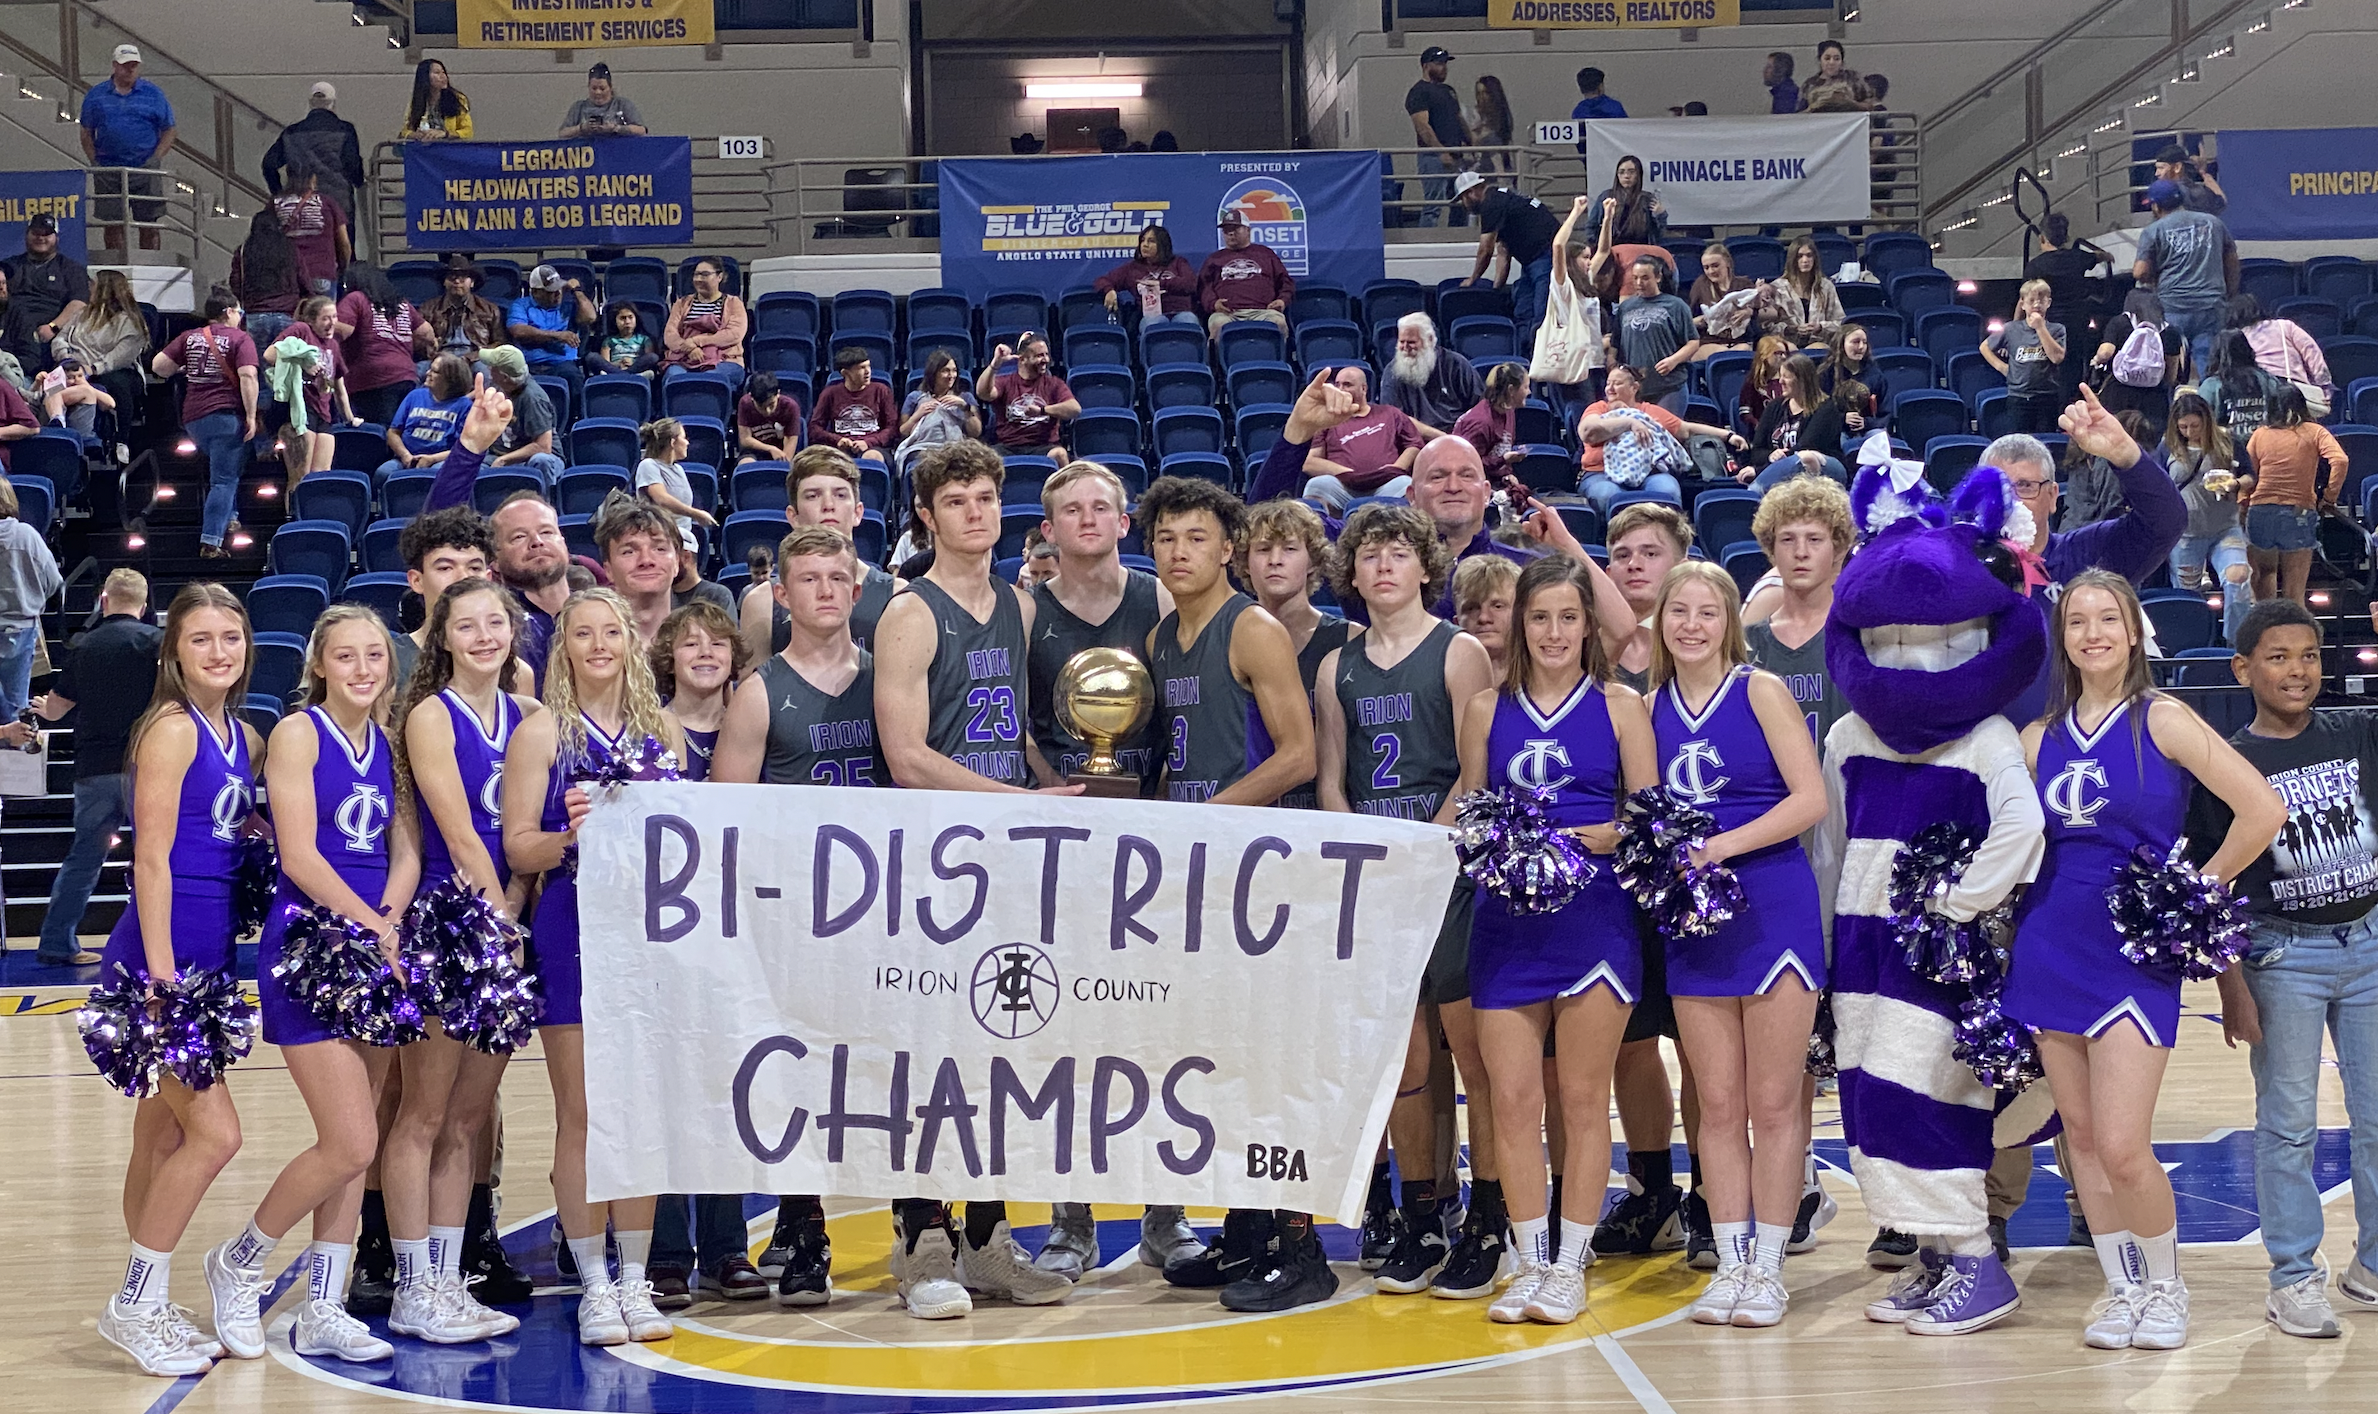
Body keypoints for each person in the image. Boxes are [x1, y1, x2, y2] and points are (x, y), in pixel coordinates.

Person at [2000, 572, 2283, 1351]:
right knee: (2083, 1143)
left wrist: (2194, 888)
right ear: (2062, 638)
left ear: (2133, 633)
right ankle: (2123, 1290)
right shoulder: (2036, 739)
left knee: (2124, 1145)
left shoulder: (2164, 719)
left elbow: (2263, 808)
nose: (2092, 632)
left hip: (2131, 951)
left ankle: (2166, 1287)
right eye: (2078, 620)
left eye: (2108, 619)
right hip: (2050, 943)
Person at [870, 440, 1077, 1316]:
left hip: (1004, 854)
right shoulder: (909, 613)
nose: (976, 512)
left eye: (988, 496)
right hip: (933, 858)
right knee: (927, 1057)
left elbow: (1018, 727)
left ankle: (987, 1236)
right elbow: (908, 758)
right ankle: (920, 1239)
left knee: (1000, 1051)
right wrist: (1019, 800)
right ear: (927, 514)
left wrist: (1063, 788)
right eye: (957, 500)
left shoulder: (1020, 606)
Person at [1128, 475, 1322, 1309]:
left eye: (1197, 538)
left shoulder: (1255, 630)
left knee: (1274, 1062)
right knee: (1226, 1066)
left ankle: (1301, 1249)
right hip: (1197, 873)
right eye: (1167, 538)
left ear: (1228, 548)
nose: (1180, 552)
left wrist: (1206, 817)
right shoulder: (1162, 634)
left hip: (1260, 871)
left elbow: (1298, 755)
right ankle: (1246, 1234)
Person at [1450, 555, 1654, 1325]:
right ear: (1518, 623)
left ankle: (1571, 1265)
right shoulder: (1482, 709)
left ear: (1589, 626)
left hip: (1594, 919)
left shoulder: (1620, 705)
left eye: (1570, 617)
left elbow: (1646, 821)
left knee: (1580, 1098)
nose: (1555, 632)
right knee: (1509, 1099)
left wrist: (1567, 837)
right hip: (1505, 924)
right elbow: (1473, 813)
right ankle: (1530, 1260)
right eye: (1540, 617)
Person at [213, 606, 416, 1367]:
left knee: (355, 1150)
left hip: (374, 939)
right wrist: (370, 922)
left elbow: (406, 846)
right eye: (346, 656)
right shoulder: (299, 734)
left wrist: (389, 919)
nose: (363, 669)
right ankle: (240, 1258)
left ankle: (322, 1308)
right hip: (311, 944)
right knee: (351, 1136)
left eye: (374, 655)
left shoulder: (390, 740)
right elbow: (297, 855)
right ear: (319, 664)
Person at [1315, 504, 1498, 1301]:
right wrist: (1364, 850)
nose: (1384, 567)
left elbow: (1476, 767)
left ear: (1426, 568)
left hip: (1448, 870)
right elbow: (1330, 778)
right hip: (1378, 879)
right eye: (1369, 557)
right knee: (1406, 1065)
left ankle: (1491, 1216)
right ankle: (1422, 1214)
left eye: (1398, 555)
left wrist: (1431, 842)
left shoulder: (1458, 653)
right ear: (1351, 575)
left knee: (1477, 1057)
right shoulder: (1335, 668)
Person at [1645, 563, 1828, 1328]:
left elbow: (1811, 797)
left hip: (1774, 906)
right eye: (1677, 611)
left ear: (1730, 623)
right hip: (1695, 921)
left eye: (1705, 612)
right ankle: (1731, 1259)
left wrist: (1719, 847)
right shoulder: (1647, 707)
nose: (1690, 624)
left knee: (1774, 1100)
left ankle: (1772, 1265)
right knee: (1716, 1104)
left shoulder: (1761, 690)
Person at [502, 588, 683, 1348]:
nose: (600, 644)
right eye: (584, 633)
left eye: (613, 632)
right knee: (582, 1112)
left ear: (632, 642)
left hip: (649, 930)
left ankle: (637, 1278)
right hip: (572, 922)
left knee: (638, 1111)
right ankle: (593, 1282)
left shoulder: (662, 726)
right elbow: (518, 849)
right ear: (563, 646)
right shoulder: (541, 732)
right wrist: (576, 835)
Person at [713, 525, 888, 1306]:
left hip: (885, 910)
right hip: (791, 917)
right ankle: (804, 1218)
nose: (825, 590)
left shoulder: (889, 678)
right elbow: (724, 819)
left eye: (837, 577)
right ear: (780, 596)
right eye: (808, 578)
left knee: (884, 1074)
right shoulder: (758, 691)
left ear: (858, 589)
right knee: (799, 1077)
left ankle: (916, 1225)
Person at [89, 585, 260, 1379]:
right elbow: (149, 858)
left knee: (160, 1134)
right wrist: (160, 974)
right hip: (164, 962)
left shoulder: (243, 734)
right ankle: (134, 1300)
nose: (219, 651)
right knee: (217, 1135)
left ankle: (147, 1298)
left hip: (209, 957)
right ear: (173, 653)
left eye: (231, 636)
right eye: (201, 640)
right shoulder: (169, 729)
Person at [2199, 598, 2378, 1339]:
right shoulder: (2227, 762)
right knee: (2289, 1125)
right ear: (2243, 669)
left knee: (2375, 1119)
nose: (2297, 670)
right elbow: (2216, 890)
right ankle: (2294, 1277)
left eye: (2308, 655)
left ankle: (2371, 1267)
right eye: (2277, 657)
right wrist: (2231, 986)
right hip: (2281, 956)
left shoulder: (2357, 731)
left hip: (2368, 945)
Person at [383, 576, 537, 1342]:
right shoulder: (428, 717)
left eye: (496, 624)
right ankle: (412, 1285)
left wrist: (515, 899)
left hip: (505, 922)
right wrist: (499, 910)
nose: (484, 637)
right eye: (467, 625)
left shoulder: (533, 717)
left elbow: (529, 832)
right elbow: (462, 831)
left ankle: (446, 1280)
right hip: (450, 923)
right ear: (442, 637)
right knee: (424, 1113)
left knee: (470, 1120)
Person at [638, 601, 761, 1306]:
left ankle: (725, 1247)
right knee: (664, 1088)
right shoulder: (649, 727)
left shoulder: (757, 721)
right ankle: (664, 1252)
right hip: (665, 931)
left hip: (742, 927)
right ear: (670, 657)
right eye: (692, 643)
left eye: (719, 642)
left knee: (726, 1086)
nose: (706, 652)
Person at [26, 569, 157, 966]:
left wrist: (37, 707)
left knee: (84, 859)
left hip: (94, 768)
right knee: (156, 858)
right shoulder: (156, 643)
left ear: (103, 600)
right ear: (145, 604)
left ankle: (56, 942)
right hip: (148, 766)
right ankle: (154, 941)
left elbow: (54, 710)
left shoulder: (84, 646)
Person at [1022, 460, 1170, 788]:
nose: (1088, 520)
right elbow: (1012, 723)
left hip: (1153, 806)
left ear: (1122, 523)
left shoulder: (1163, 599)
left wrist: (1163, 789)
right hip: (1057, 802)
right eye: (1073, 510)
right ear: (1050, 530)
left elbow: (1188, 712)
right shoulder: (1027, 611)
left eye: (1100, 508)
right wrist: (1052, 784)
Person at [740, 447, 904, 665]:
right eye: (813, 496)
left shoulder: (897, 595)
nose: (828, 506)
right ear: (793, 516)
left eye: (840, 495)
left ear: (858, 512)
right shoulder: (761, 602)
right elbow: (755, 692)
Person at [151, 287, 258, 559]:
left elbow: (159, 367)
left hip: (194, 419)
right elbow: (247, 377)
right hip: (225, 415)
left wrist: (188, 367)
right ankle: (211, 541)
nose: (240, 317)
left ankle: (231, 517)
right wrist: (251, 415)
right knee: (223, 479)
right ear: (229, 312)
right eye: (239, 311)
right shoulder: (240, 338)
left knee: (226, 470)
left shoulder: (189, 337)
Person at [1574, 364, 1742, 515]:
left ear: (1634, 388)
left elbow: (1687, 429)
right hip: (1600, 473)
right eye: (1608, 383)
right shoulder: (1598, 408)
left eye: (1617, 383)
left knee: (1667, 492)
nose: (1610, 388)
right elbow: (1587, 431)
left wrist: (1728, 435)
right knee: (1608, 496)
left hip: (1649, 473)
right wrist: (1629, 423)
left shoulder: (1649, 410)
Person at [2242, 382, 2347, 608]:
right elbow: (2340, 460)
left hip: (2260, 510)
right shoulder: (2315, 431)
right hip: (2299, 510)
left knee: (2265, 576)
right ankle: (2295, 635)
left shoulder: (2260, 434)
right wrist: (2329, 497)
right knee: (2295, 592)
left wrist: (2242, 506)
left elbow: (2249, 475)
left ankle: (2266, 631)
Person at [2163, 390, 2251, 645]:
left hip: (2224, 527)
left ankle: (2236, 643)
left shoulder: (2227, 441)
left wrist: (2235, 483)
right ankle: (2193, 646)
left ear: (2206, 421)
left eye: (2195, 425)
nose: (2190, 431)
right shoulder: (2167, 447)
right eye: (2184, 427)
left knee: (2238, 576)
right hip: (2185, 533)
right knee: (2186, 595)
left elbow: (2250, 476)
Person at [593, 489, 733, 643]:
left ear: (676, 563)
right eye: (629, 551)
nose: (646, 560)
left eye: (660, 549)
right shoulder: (594, 648)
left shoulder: (705, 651)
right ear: (608, 569)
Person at [2134, 179, 2237, 380]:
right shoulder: (2213, 222)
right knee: (2210, 366)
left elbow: (2140, 272)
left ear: (2155, 205)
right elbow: (2232, 259)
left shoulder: (2154, 230)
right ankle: (2208, 406)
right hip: (2211, 305)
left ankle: (2176, 408)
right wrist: (2230, 292)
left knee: (2172, 367)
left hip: (2173, 307)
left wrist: (2156, 273)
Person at [79, 45, 175, 253]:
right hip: (108, 170)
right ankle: (116, 268)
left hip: (145, 168)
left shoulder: (154, 94)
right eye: (125, 66)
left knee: (149, 223)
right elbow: (86, 132)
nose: (130, 70)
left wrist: (156, 157)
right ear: (115, 66)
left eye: (133, 66)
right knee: (112, 224)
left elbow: (169, 129)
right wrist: (95, 161)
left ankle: (151, 268)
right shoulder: (96, 96)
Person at [393, 505, 493, 690]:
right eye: (445, 568)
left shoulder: (510, 665)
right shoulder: (391, 663)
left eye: (474, 568)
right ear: (417, 581)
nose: (463, 578)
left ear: (489, 579)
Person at [1302, 364, 1429, 510]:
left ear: (1363, 389)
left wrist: (1396, 468)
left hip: (1386, 485)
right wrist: (1346, 473)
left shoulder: (1390, 413)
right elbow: (1310, 462)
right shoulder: (1327, 420)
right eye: (1337, 385)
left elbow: (1414, 445)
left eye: (1347, 385)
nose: (1341, 389)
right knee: (1316, 485)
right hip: (1343, 487)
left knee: (1406, 484)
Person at [266, 293, 357, 484]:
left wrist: (349, 417)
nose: (332, 323)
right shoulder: (301, 330)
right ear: (311, 320)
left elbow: (338, 386)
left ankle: (315, 513)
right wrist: (302, 363)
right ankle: (294, 514)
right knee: (300, 476)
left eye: (334, 317)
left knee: (321, 475)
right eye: (325, 318)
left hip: (323, 412)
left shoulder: (333, 344)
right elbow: (270, 355)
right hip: (300, 410)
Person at [1457, 173, 1562, 337]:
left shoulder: (1491, 204)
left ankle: (1539, 354)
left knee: (1541, 314)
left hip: (1545, 256)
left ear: (1471, 192)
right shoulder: (1502, 197)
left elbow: (1485, 250)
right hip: (1533, 259)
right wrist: (1496, 288)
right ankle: (1526, 350)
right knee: (1524, 309)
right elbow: (1503, 251)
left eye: (1463, 198)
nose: (1464, 205)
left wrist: (1473, 278)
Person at [49, 267, 147, 430]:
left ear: (104, 290)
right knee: (53, 381)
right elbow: (61, 337)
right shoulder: (81, 314)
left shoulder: (129, 322)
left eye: (92, 284)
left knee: (115, 383)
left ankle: (120, 440)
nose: (89, 288)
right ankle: (54, 426)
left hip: (110, 370)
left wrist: (93, 368)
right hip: (72, 365)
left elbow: (120, 356)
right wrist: (65, 357)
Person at [2024, 214, 2108, 402]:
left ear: (2042, 238)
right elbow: (2102, 256)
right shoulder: (2078, 257)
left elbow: (2025, 299)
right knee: (2073, 369)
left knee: (2046, 368)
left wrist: (2015, 324)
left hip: (2048, 325)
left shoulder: (2035, 266)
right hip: (2076, 322)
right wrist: (2101, 255)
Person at [337, 262, 431, 427]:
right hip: (406, 375)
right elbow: (427, 333)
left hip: (371, 379)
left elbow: (343, 331)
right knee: (401, 431)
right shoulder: (401, 303)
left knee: (380, 434)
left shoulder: (355, 298)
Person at [1744, 355, 1853, 491]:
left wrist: (1760, 471)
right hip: (1782, 468)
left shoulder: (1826, 408)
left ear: (1803, 381)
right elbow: (1757, 451)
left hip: (1826, 466)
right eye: (1780, 376)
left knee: (1805, 457)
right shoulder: (1775, 407)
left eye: (1787, 377)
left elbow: (1805, 447)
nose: (1781, 381)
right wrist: (1771, 455)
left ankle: (1755, 491)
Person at [264, 82, 366, 225]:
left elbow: (268, 164)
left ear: (310, 103)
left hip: (300, 203)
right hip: (338, 204)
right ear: (333, 103)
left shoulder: (292, 132)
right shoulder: (345, 130)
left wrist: (279, 193)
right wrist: (359, 181)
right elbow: (352, 164)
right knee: (341, 245)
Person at [1608, 256, 1700, 413]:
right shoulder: (1625, 308)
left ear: (1658, 277)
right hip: (1635, 387)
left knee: (1666, 432)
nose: (1639, 283)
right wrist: (1611, 363)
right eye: (1635, 278)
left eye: (1645, 278)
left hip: (1669, 385)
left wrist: (1673, 361)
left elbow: (1693, 342)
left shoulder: (1676, 305)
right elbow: (1615, 343)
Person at [0, 475, 57, 723]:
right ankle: (16, 755)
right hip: (22, 628)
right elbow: (53, 581)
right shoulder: (27, 535)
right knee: (16, 705)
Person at [1, 214, 90, 370]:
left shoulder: (71, 268)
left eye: (46, 234)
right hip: (12, 333)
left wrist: (53, 327)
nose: (40, 238)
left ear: (56, 237)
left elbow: (79, 302)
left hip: (51, 337)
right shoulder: (9, 266)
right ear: (26, 235)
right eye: (36, 233)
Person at [1982, 279, 2068, 434]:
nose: (2036, 305)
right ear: (2023, 304)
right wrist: (2001, 367)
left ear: (2048, 303)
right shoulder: (2010, 329)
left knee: (2045, 441)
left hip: (2046, 396)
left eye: (2041, 300)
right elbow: (1985, 347)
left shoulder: (2057, 329)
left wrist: (2040, 328)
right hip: (2019, 397)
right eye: (2031, 300)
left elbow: (2057, 357)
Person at [978, 332, 1078, 463]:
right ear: (1022, 359)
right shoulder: (1006, 382)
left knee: (1060, 454)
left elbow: (1075, 409)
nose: (1046, 360)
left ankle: (1065, 484)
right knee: (983, 458)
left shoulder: (1054, 384)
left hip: (1043, 446)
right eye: (1039, 355)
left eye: (1046, 355)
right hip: (1008, 447)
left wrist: (1043, 410)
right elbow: (983, 393)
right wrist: (995, 364)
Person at [508, 265, 595, 407]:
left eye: (559, 289)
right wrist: (556, 336)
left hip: (561, 363)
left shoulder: (568, 306)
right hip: (529, 364)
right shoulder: (521, 305)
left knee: (573, 376)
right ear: (535, 292)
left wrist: (577, 291)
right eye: (551, 292)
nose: (558, 294)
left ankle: (575, 421)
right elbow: (518, 330)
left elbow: (590, 317)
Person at [1382, 313, 1486, 433]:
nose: (1405, 347)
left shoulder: (1456, 364)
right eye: (1401, 342)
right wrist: (1442, 439)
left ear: (1430, 340)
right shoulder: (1392, 372)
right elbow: (1395, 419)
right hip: (1416, 442)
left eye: (1411, 342)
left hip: (1460, 436)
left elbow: (1480, 407)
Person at [1198, 211, 1294, 340]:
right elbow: (1204, 287)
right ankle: (1217, 360)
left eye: (1235, 229)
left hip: (1262, 311)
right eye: (1226, 230)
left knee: (1278, 322)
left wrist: (1282, 300)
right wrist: (1213, 304)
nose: (1231, 233)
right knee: (1218, 323)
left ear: (1248, 230)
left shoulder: (1265, 254)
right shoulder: (1214, 259)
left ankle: (1281, 359)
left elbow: (1286, 282)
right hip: (1228, 313)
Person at [476, 345, 564, 482]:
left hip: (530, 459)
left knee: (541, 460)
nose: (488, 369)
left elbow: (543, 446)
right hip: (498, 455)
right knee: (468, 466)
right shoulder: (499, 385)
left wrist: (504, 460)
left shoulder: (533, 398)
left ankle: (542, 501)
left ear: (505, 377)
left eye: (492, 367)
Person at [630, 415, 716, 555]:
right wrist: (696, 514)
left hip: (680, 539)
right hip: (659, 540)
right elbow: (661, 499)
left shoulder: (679, 470)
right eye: (684, 438)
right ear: (672, 442)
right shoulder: (648, 465)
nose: (687, 443)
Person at [2232, 293, 2333, 409]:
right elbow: (2312, 353)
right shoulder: (2284, 326)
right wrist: (2325, 386)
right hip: (2294, 390)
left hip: (2260, 392)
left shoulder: (2238, 336)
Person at [382, 353, 473, 480]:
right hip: (407, 458)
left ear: (450, 379)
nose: (428, 373)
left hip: (440, 461)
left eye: (435, 371)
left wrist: (431, 459)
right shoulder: (415, 395)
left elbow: (464, 447)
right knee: (383, 473)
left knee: (435, 476)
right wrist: (405, 455)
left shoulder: (464, 405)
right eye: (430, 368)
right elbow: (393, 433)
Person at [1406, 47, 1468, 229]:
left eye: (1445, 64)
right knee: (1434, 203)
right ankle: (1426, 240)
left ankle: (1457, 235)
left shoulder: (1448, 91)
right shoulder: (1419, 92)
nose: (1444, 68)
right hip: (1433, 156)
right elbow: (1422, 126)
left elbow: (1459, 120)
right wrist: (1441, 151)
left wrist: (1472, 144)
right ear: (1426, 66)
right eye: (1439, 64)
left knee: (1462, 201)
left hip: (1455, 154)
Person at [230, 209, 305, 357]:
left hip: (255, 314)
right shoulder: (289, 248)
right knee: (287, 367)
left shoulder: (245, 250)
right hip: (287, 313)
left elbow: (236, 282)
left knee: (257, 366)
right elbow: (302, 277)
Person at [662, 257, 747, 387]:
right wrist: (690, 349)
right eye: (696, 274)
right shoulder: (681, 303)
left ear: (719, 277)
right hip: (684, 359)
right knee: (674, 377)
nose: (698, 279)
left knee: (710, 380)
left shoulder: (734, 303)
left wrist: (696, 341)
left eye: (705, 275)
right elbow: (670, 335)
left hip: (725, 360)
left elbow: (734, 334)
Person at [1093, 225, 1198, 326]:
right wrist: (1109, 291)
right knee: (1155, 323)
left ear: (1163, 245)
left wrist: (1160, 284)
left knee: (1188, 321)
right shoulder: (1132, 268)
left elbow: (1191, 284)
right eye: (1142, 240)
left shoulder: (1178, 262)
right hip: (1151, 315)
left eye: (1151, 241)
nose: (1145, 244)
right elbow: (1102, 280)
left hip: (1180, 311)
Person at [894, 350, 980, 474]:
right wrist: (918, 415)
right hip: (923, 448)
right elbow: (904, 432)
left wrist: (964, 407)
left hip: (956, 447)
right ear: (933, 373)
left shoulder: (965, 398)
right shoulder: (915, 397)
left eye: (954, 370)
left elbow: (976, 432)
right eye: (945, 371)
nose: (951, 375)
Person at [273, 165, 352, 297]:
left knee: (295, 316)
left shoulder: (276, 204)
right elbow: (344, 243)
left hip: (288, 276)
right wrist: (343, 268)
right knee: (324, 316)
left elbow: (265, 236)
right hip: (321, 272)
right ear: (313, 179)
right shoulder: (327, 203)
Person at [810, 347, 897, 468]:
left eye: (868, 366)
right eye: (861, 368)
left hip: (873, 447)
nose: (868, 372)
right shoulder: (830, 393)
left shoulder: (881, 391)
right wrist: (837, 440)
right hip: (840, 448)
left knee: (872, 458)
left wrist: (868, 442)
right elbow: (815, 428)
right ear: (845, 373)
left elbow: (892, 428)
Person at [1452, 363, 1529, 483]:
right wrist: (1503, 459)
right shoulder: (1481, 422)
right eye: (1525, 387)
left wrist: (1507, 474)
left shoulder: (1509, 411)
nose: (1529, 392)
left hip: (1494, 481)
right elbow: (1467, 466)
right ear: (1511, 390)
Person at [421, 255, 505, 366]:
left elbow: (500, 343)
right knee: (416, 371)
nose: (456, 281)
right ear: (444, 282)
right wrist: (428, 347)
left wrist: (475, 356)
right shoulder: (428, 308)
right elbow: (416, 341)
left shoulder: (490, 309)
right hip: (440, 358)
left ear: (472, 282)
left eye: (462, 277)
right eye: (451, 277)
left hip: (475, 359)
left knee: (483, 371)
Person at [1762, 237, 1844, 348]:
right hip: (1787, 345)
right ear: (1792, 259)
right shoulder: (1778, 288)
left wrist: (1820, 327)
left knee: (1818, 347)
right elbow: (1767, 327)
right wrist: (1790, 329)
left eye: (1809, 255)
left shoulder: (1826, 287)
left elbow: (1840, 323)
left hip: (1819, 343)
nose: (1805, 260)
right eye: (1800, 256)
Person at [1689, 243, 1763, 358]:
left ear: (1727, 263)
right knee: (1724, 354)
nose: (1711, 271)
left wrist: (1749, 312)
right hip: (1709, 342)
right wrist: (1701, 320)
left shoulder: (1744, 284)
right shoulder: (1700, 285)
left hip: (1740, 340)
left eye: (1715, 266)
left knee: (1743, 350)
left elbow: (1761, 312)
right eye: (1706, 267)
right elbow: (1689, 321)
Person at [1591, 154, 1666, 248]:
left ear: (1638, 174)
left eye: (1631, 172)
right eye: (1621, 172)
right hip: (1612, 252)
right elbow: (1592, 226)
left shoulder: (1647, 199)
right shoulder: (1606, 197)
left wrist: (1660, 215)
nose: (1626, 176)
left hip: (1640, 252)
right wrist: (1599, 249)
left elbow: (1658, 235)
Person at [558, 63, 648, 138]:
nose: (598, 92)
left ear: (610, 87)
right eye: (594, 88)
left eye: (602, 88)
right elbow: (562, 133)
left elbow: (641, 130)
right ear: (588, 87)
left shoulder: (622, 104)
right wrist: (582, 128)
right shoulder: (578, 107)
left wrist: (616, 128)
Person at [732, 370, 800, 464]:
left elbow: (790, 442)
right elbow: (745, 439)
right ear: (751, 397)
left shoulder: (790, 407)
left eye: (771, 405)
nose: (767, 411)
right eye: (761, 407)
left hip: (782, 450)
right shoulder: (745, 403)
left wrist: (782, 461)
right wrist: (770, 449)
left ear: (778, 393)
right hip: (755, 450)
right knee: (745, 465)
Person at [1569, 66, 1627, 171]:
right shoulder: (1614, 107)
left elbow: (1580, 144)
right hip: (1617, 163)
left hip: (1592, 165)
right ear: (1600, 86)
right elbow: (1627, 134)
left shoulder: (1578, 112)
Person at [399, 59, 472, 143]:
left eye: (443, 72)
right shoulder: (417, 101)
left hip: (450, 149)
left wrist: (446, 134)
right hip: (424, 150)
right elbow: (405, 130)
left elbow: (468, 131)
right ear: (425, 77)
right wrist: (414, 135)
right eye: (437, 73)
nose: (443, 76)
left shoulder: (458, 99)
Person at [590, 302, 658, 381]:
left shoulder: (644, 339)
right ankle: (633, 376)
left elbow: (648, 358)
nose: (627, 321)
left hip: (635, 367)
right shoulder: (609, 340)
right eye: (622, 318)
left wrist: (632, 363)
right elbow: (606, 362)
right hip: (615, 367)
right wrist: (618, 364)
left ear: (636, 319)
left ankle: (615, 376)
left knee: (653, 357)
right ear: (615, 322)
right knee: (592, 357)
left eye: (630, 317)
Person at [2153, 143, 2226, 215]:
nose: (2157, 173)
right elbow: (2221, 203)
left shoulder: (2165, 194)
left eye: (2161, 168)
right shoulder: (2199, 192)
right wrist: (2205, 175)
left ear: (2177, 167)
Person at [1797, 39, 1868, 111]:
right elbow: (1799, 115)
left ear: (1842, 62)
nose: (1831, 62)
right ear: (1819, 60)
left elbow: (1872, 105)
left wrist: (1850, 102)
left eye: (1836, 59)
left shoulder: (1853, 78)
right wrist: (1814, 106)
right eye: (1827, 58)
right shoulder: (1809, 84)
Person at [1469, 75, 1516, 176]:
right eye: (1479, 93)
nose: (1482, 97)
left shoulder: (1500, 120)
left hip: (1497, 172)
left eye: (1486, 93)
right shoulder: (1476, 115)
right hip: (1483, 170)